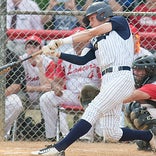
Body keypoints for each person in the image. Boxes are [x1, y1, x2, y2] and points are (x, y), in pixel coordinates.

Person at [31, 2, 156, 155]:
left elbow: (90, 32)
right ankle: (148, 136)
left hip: (122, 77)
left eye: (91, 19)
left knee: (93, 109)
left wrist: (61, 42)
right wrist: (57, 54)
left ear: (103, 14)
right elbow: (82, 60)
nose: (89, 23)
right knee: (112, 133)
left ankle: (58, 148)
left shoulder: (119, 22)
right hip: (108, 80)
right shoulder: (95, 40)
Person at [39, 41, 101, 141]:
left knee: (91, 102)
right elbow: (57, 81)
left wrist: (89, 93)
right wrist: (56, 87)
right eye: (75, 43)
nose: (77, 45)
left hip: (92, 95)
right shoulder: (66, 56)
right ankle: (53, 136)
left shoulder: (95, 56)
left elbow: (103, 81)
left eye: (80, 42)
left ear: (87, 42)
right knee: (46, 98)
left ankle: (86, 138)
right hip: (71, 94)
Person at [123, 55, 156, 151]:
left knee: (141, 114)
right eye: (135, 70)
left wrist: (102, 99)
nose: (136, 73)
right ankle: (148, 140)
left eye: (140, 70)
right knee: (132, 107)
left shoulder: (153, 85)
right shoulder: (146, 82)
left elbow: (129, 97)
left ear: (151, 71)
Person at [19, 35, 56, 109]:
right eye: (29, 47)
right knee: (19, 97)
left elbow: (47, 87)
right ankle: (21, 120)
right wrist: (40, 88)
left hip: (41, 94)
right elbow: (20, 87)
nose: (31, 50)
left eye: (34, 47)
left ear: (40, 49)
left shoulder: (49, 62)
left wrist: (40, 67)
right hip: (25, 93)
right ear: (25, 49)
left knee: (47, 96)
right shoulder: (21, 60)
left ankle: (44, 120)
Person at [5, 48, 26, 139]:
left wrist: (1, 96)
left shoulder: (12, 57)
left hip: (5, 95)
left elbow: (17, 85)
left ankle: (2, 133)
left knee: (15, 102)